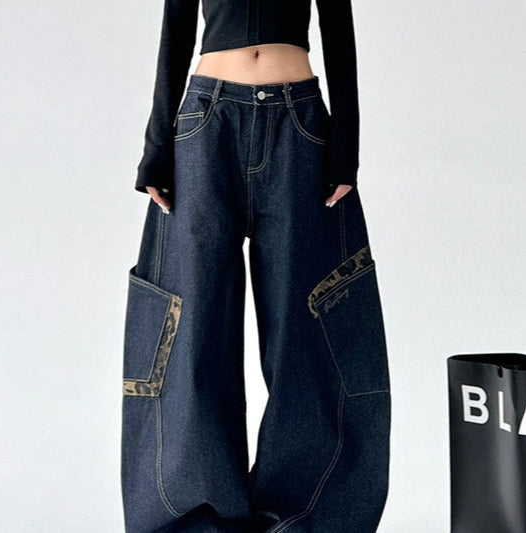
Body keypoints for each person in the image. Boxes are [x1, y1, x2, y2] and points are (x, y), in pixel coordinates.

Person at [121, 0, 392, 532]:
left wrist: (346, 144)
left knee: (308, 333)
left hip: (301, 124)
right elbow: (176, 29)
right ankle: (193, 522)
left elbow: (339, 29)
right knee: (191, 332)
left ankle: (303, 521)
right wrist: (156, 145)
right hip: (205, 123)